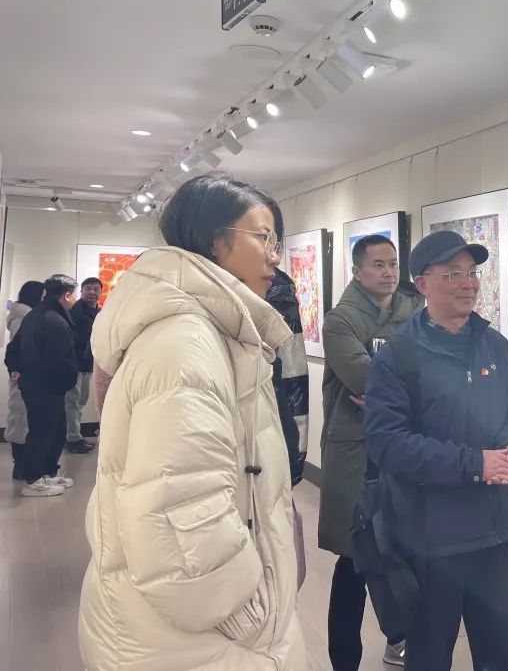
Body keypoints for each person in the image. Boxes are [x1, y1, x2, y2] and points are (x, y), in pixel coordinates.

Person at [78, 173, 306, 670]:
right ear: (214, 241)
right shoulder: (187, 343)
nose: (275, 257)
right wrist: (251, 615)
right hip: (193, 639)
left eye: (277, 243)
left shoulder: (205, 332)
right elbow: (176, 509)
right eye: (264, 238)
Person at [364, 230, 508, 671]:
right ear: (423, 284)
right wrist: (475, 463)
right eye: (454, 274)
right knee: (429, 654)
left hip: (493, 531)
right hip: (429, 537)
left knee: (501, 653)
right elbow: (388, 444)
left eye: (472, 273)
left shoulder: (494, 344)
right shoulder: (398, 357)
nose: (469, 283)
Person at [320, 234, 424, 670]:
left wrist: (394, 391)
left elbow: (435, 369)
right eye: (378, 265)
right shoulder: (340, 320)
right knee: (355, 558)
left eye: (393, 263)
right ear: (358, 271)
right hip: (357, 453)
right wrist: (407, 385)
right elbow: (364, 378)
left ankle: (399, 638)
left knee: (404, 548)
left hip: (402, 447)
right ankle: (344, 658)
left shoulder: (415, 311)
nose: (388, 272)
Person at [4, 274, 80, 497]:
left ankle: (47, 472)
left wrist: (15, 367)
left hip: (42, 385)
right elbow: (59, 358)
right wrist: (67, 380)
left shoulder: (36, 315)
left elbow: (13, 348)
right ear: (67, 295)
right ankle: (34, 480)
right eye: (74, 294)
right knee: (42, 433)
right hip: (45, 386)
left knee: (55, 431)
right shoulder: (52, 320)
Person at [265, 265, 310, 488]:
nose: (273, 257)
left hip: (271, 430)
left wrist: (294, 460)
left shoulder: (279, 289)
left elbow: (294, 377)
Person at [4, 280, 45, 481]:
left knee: (22, 419)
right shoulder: (25, 317)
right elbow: (20, 348)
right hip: (25, 375)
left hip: (25, 374)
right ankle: (21, 466)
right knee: (21, 420)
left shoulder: (25, 315)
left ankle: (23, 465)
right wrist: (18, 369)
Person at [65, 276, 102, 454]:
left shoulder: (100, 312)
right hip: (74, 363)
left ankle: (73, 435)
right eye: (88, 289)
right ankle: (73, 439)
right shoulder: (75, 311)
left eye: (95, 289)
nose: (92, 292)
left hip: (88, 363)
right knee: (73, 401)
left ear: (101, 292)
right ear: (81, 291)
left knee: (81, 400)